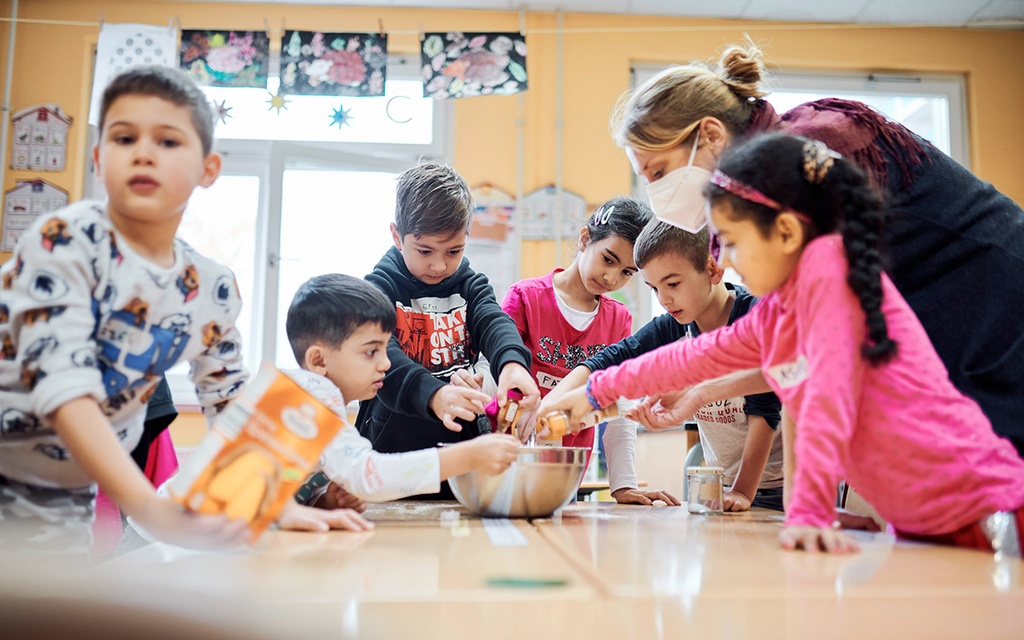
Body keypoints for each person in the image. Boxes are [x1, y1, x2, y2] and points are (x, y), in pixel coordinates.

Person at [542, 133, 1024, 554]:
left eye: (730, 240)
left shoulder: (833, 280)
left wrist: (809, 513)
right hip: (923, 522)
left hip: (990, 511)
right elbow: (692, 357)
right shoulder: (784, 306)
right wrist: (593, 395)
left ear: (787, 232)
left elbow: (825, 399)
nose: (724, 260)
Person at [0, 66, 363, 553]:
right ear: (98, 156)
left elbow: (232, 407)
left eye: (168, 142)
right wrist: (152, 508)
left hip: (65, 491)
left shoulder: (211, 289)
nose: (144, 152)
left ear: (208, 169)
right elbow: (65, 389)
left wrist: (268, 502)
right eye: (124, 137)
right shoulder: (64, 239)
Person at [611, 40, 1024, 458]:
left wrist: (603, 390)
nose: (655, 192)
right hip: (944, 327)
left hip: (997, 301)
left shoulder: (809, 156)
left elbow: (801, 347)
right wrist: (688, 391)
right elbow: (785, 347)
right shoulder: (756, 198)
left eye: (659, 171)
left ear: (711, 135)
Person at [543, 221, 784, 510]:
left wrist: (744, 490)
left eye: (672, 284)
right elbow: (613, 359)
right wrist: (551, 404)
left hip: (784, 484)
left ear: (712, 269)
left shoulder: (755, 315)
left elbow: (765, 409)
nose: (664, 299)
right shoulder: (676, 324)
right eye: (653, 288)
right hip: (728, 487)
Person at [356, 162, 540, 499]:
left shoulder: (471, 285)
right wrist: (435, 395)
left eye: (454, 251)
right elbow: (385, 357)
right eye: (425, 251)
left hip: (463, 458)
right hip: (394, 456)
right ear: (397, 236)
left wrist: (513, 366)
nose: (439, 265)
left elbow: (493, 322)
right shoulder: (378, 290)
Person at [284, 274, 520, 508]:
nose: (386, 364)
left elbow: (279, 495)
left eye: (385, 350)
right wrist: (465, 457)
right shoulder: (311, 397)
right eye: (370, 352)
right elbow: (368, 476)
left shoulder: (312, 395)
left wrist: (323, 502)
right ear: (319, 361)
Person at [498, 197, 658, 473]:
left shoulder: (619, 319)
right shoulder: (525, 298)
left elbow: (620, 407)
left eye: (627, 272)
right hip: (510, 457)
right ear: (585, 239)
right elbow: (499, 373)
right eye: (608, 259)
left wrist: (624, 484)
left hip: (568, 468)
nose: (611, 278)